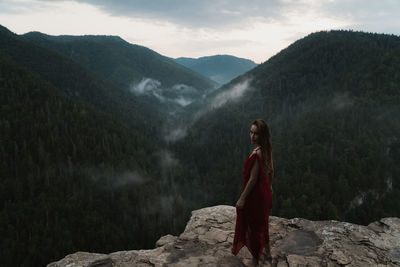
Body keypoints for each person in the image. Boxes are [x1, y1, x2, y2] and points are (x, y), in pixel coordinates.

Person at [232, 119, 274, 267]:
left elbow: (253, 179)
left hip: (256, 195)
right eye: (251, 132)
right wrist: (269, 188)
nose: (252, 136)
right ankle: (268, 255)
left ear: (262, 135)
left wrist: (242, 199)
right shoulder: (266, 149)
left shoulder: (257, 154)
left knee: (254, 226)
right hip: (264, 191)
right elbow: (271, 171)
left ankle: (255, 261)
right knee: (263, 224)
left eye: (256, 134)